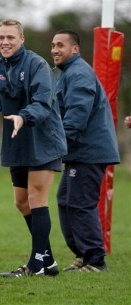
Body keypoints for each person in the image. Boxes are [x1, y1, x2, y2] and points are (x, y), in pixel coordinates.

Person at [0, 19, 67, 277]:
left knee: (36, 198)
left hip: (43, 138)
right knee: (22, 203)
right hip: (16, 142)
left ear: (22, 39)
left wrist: (23, 116)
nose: (5, 42)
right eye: (1, 38)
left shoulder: (37, 64)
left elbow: (43, 103)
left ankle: (34, 267)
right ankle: (49, 262)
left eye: (10, 37)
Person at [51, 29, 120, 272]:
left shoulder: (78, 74)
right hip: (79, 153)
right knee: (66, 202)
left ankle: (95, 260)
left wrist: (55, 144)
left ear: (75, 49)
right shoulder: (69, 73)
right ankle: (83, 254)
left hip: (88, 153)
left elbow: (76, 117)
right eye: (53, 45)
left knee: (80, 204)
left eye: (61, 45)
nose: (55, 50)